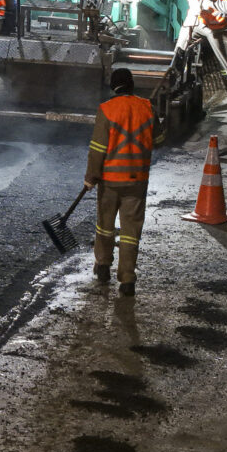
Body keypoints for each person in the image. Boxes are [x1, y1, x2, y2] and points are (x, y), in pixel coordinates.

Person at [85, 67, 161, 297]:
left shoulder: (106, 110)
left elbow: (97, 149)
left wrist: (90, 177)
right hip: (137, 180)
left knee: (105, 226)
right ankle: (127, 279)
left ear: (112, 86)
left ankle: (103, 266)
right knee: (131, 231)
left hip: (109, 181)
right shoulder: (148, 108)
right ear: (132, 85)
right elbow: (159, 138)